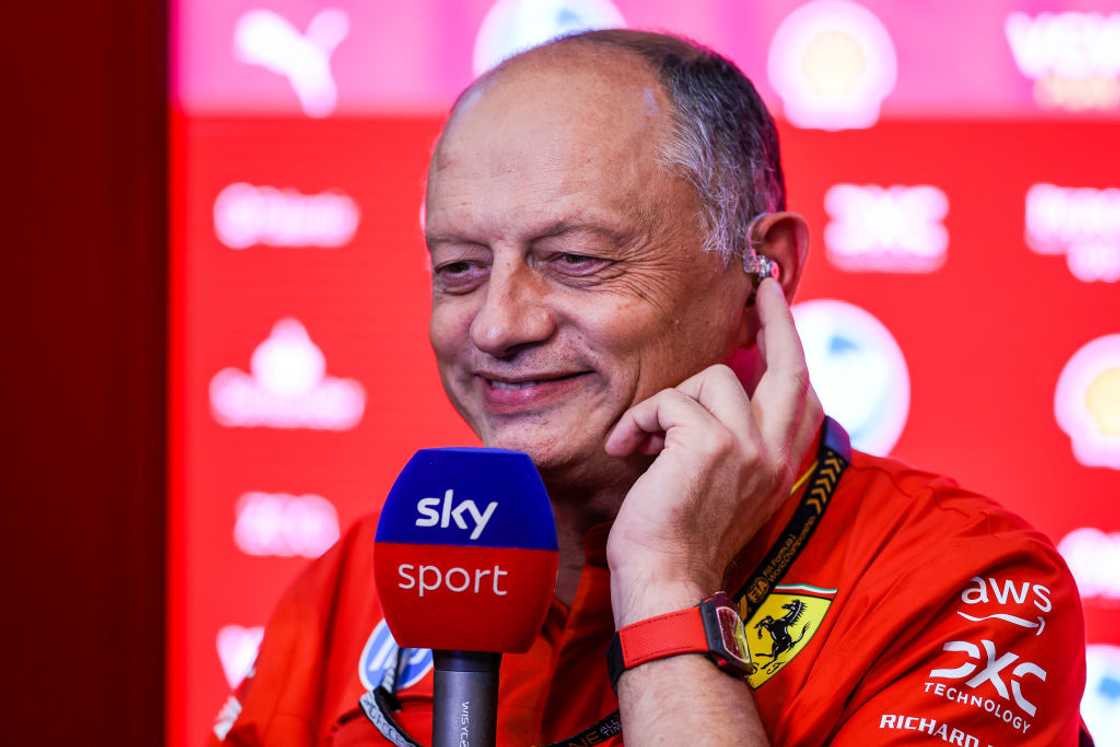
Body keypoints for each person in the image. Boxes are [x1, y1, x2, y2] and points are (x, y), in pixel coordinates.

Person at [210, 30, 1091, 746]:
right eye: (460, 268)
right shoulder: (364, 579)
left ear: (764, 273)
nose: (497, 325)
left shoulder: (961, 586)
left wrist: (667, 582)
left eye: (575, 259)